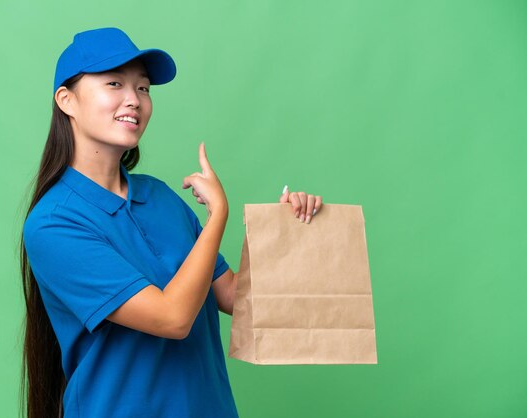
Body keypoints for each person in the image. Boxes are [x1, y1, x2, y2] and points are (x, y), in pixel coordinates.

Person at [19, 27, 323, 418]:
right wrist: (218, 217)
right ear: (67, 100)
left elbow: (233, 297)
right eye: (114, 83)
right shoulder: (54, 223)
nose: (134, 100)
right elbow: (172, 318)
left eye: (143, 88)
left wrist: (285, 232)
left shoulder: (158, 196)